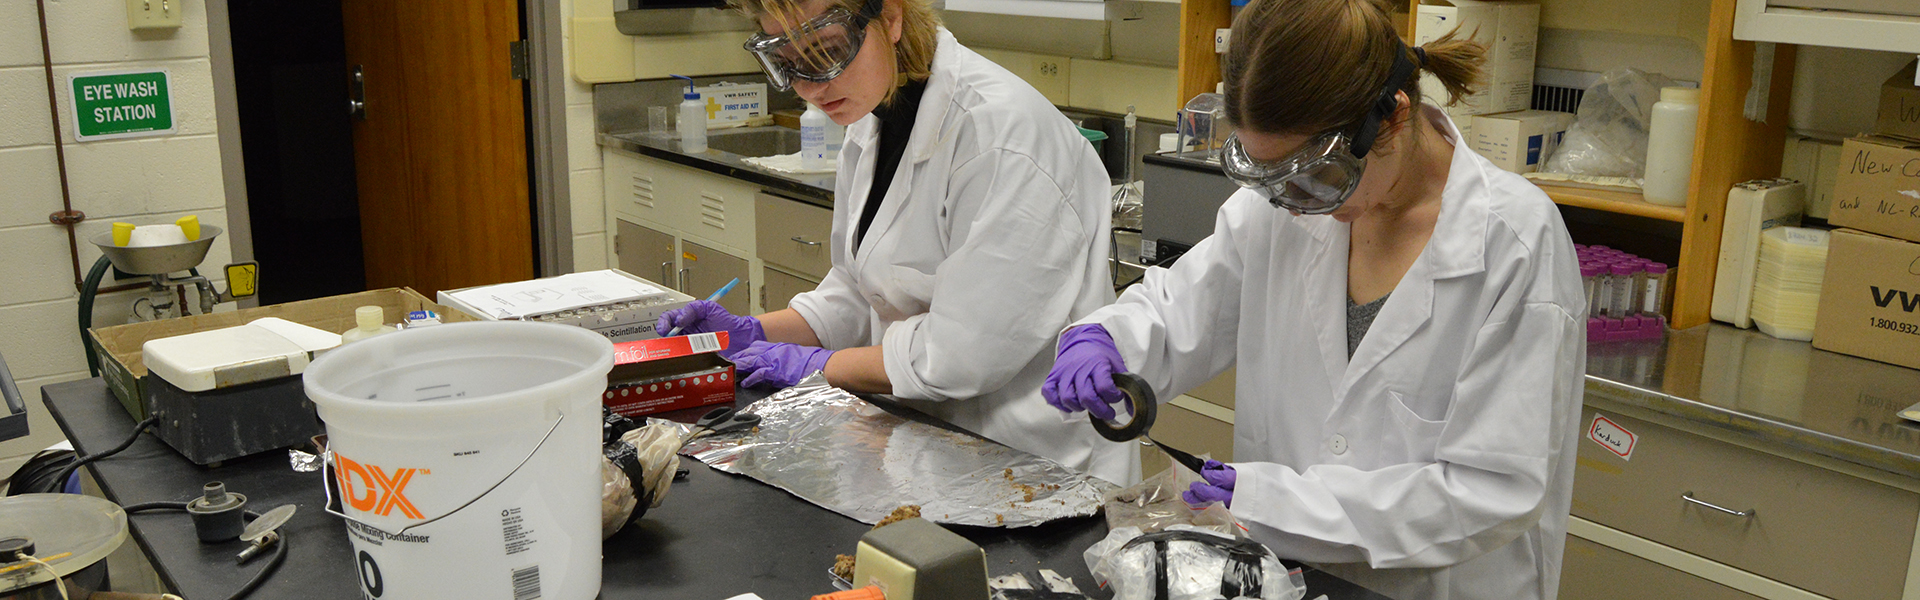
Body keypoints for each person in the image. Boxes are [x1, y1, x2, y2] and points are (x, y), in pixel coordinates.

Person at [1041, 0, 1587, 597]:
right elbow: (1183, 307)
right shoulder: (1284, 207)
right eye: (1268, 178)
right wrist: (1109, 340)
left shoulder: (1513, 243)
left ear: (1392, 119)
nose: (1294, 203)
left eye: (1315, 177)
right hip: (1289, 576)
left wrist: (1274, 502)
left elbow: (1492, 490)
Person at [657, 0, 1135, 484]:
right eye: (787, 62)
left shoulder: (1003, 139)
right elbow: (857, 288)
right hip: (928, 448)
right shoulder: (872, 112)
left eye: (825, 53)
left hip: (1036, 466)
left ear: (890, 17)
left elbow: (961, 354)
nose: (807, 87)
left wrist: (819, 364)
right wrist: (758, 332)